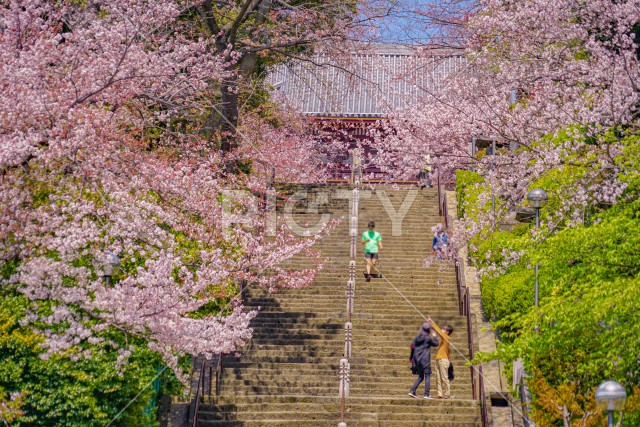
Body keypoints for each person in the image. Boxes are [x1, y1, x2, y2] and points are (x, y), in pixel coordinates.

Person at [408, 322, 439, 399]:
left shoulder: (417, 338)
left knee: (421, 377)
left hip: (417, 360)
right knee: (427, 375)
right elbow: (436, 343)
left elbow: (412, 347)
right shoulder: (427, 339)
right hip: (425, 360)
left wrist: (411, 359)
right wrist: (434, 335)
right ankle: (426, 394)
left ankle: (412, 391)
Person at [428, 316, 454, 399]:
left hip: (443, 360)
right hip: (439, 360)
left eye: (444, 328)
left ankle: (447, 393)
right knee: (438, 378)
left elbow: (439, 332)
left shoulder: (447, 337)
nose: (442, 329)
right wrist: (433, 334)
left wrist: (432, 322)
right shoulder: (443, 339)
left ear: (447, 332)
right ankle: (439, 393)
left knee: (444, 378)